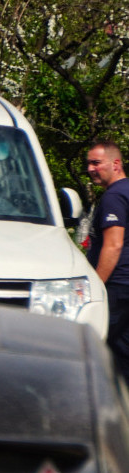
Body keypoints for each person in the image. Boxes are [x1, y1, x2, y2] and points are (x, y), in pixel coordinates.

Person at [86, 139, 129, 380]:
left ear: (116, 164)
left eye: (96, 163)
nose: (91, 168)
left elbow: (113, 245)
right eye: (88, 163)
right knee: (122, 350)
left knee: (93, 342)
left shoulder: (114, 196)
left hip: (116, 286)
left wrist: (97, 287)